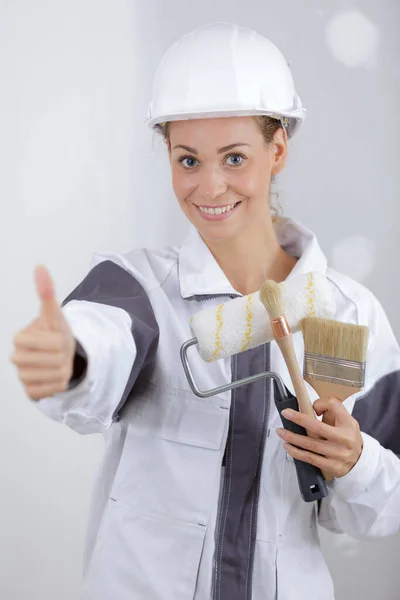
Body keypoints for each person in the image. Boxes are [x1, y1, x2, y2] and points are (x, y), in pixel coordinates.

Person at [10, 22, 400, 600]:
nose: (210, 186)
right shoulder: (140, 288)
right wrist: (71, 357)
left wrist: (356, 461)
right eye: (187, 160)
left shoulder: (340, 316)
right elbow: (104, 341)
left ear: (279, 148)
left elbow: (378, 514)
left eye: (234, 157)